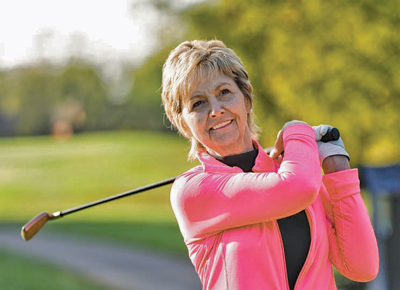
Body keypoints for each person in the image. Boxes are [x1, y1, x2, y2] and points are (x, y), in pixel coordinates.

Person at [161, 39, 379, 290]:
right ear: (183, 124)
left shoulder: (296, 170)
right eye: (198, 103)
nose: (216, 110)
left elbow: (363, 267)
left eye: (224, 92)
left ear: (247, 98)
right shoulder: (192, 190)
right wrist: (296, 129)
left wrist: (337, 168)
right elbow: (297, 187)